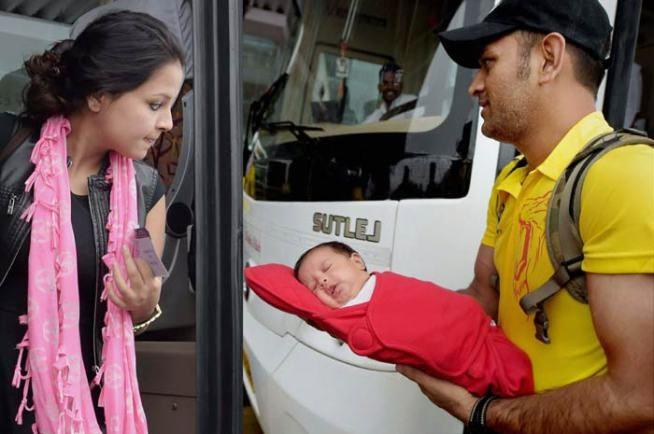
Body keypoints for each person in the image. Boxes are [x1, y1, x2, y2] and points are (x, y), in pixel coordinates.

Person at [395, 1, 654, 433]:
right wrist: (373, 307)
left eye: (488, 63)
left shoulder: (625, 177)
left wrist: (483, 414)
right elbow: (485, 295)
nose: (474, 87)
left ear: (548, 58)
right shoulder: (516, 177)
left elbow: (639, 395)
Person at [0, 11, 184, 434]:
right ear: (99, 94)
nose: (168, 123)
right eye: (155, 104)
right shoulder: (8, 148)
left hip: (77, 408)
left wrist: (143, 302)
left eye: (172, 106)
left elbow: (146, 290)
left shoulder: (145, 192)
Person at [247, 241, 535, 398]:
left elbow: (434, 301)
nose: (322, 280)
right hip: (475, 357)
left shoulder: (387, 283)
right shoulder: (347, 318)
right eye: (313, 287)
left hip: (482, 327)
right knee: (514, 377)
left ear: (357, 261)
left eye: (327, 267)